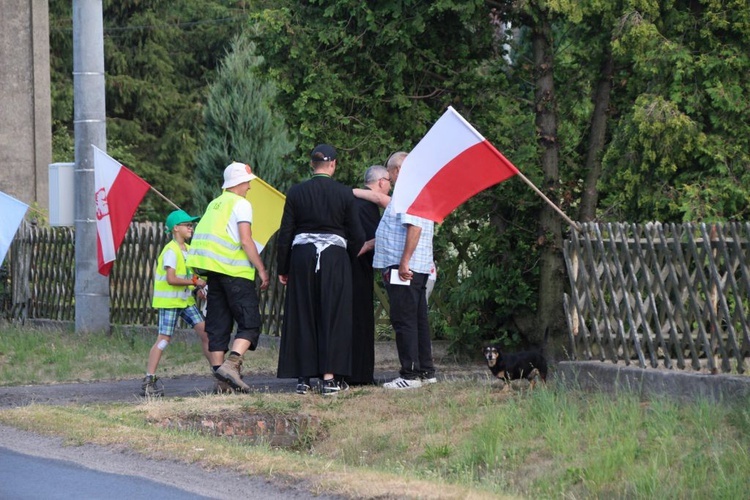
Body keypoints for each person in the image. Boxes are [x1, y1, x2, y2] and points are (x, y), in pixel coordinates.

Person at [276, 144, 365, 396]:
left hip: (302, 258)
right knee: (333, 314)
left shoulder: (296, 192)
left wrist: (284, 267)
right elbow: (357, 235)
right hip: (334, 258)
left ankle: (303, 379)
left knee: (303, 314)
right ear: (333, 164)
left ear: (311, 165)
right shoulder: (344, 193)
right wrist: (346, 255)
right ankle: (329, 378)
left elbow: (285, 234)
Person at [186, 162, 270, 393]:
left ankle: (221, 381)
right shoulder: (241, 204)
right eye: (248, 183)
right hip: (236, 272)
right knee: (249, 322)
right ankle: (232, 365)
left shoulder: (215, 204)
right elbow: (245, 240)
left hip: (213, 273)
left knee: (217, 326)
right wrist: (261, 269)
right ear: (239, 183)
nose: (249, 188)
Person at [373, 151, 437, 389]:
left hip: (405, 269)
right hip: (418, 266)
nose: (388, 179)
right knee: (418, 319)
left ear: (398, 170)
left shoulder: (407, 190)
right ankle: (425, 370)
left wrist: (403, 262)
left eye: (389, 173)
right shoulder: (421, 190)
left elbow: (414, 227)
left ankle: (409, 375)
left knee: (404, 320)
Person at [142, 209, 210, 397]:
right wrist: (195, 283)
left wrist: (197, 289)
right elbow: (172, 279)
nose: (191, 227)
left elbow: (188, 275)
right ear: (175, 229)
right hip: (170, 302)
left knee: (205, 332)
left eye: (191, 225)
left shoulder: (187, 250)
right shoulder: (171, 251)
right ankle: (149, 380)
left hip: (185, 300)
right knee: (164, 340)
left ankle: (219, 373)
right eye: (187, 225)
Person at [347, 165, 392, 386]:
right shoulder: (367, 207)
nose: (390, 188)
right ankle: (361, 374)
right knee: (361, 321)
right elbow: (364, 243)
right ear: (381, 182)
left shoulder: (353, 200)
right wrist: (381, 239)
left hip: (345, 269)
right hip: (357, 269)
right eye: (390, 183)